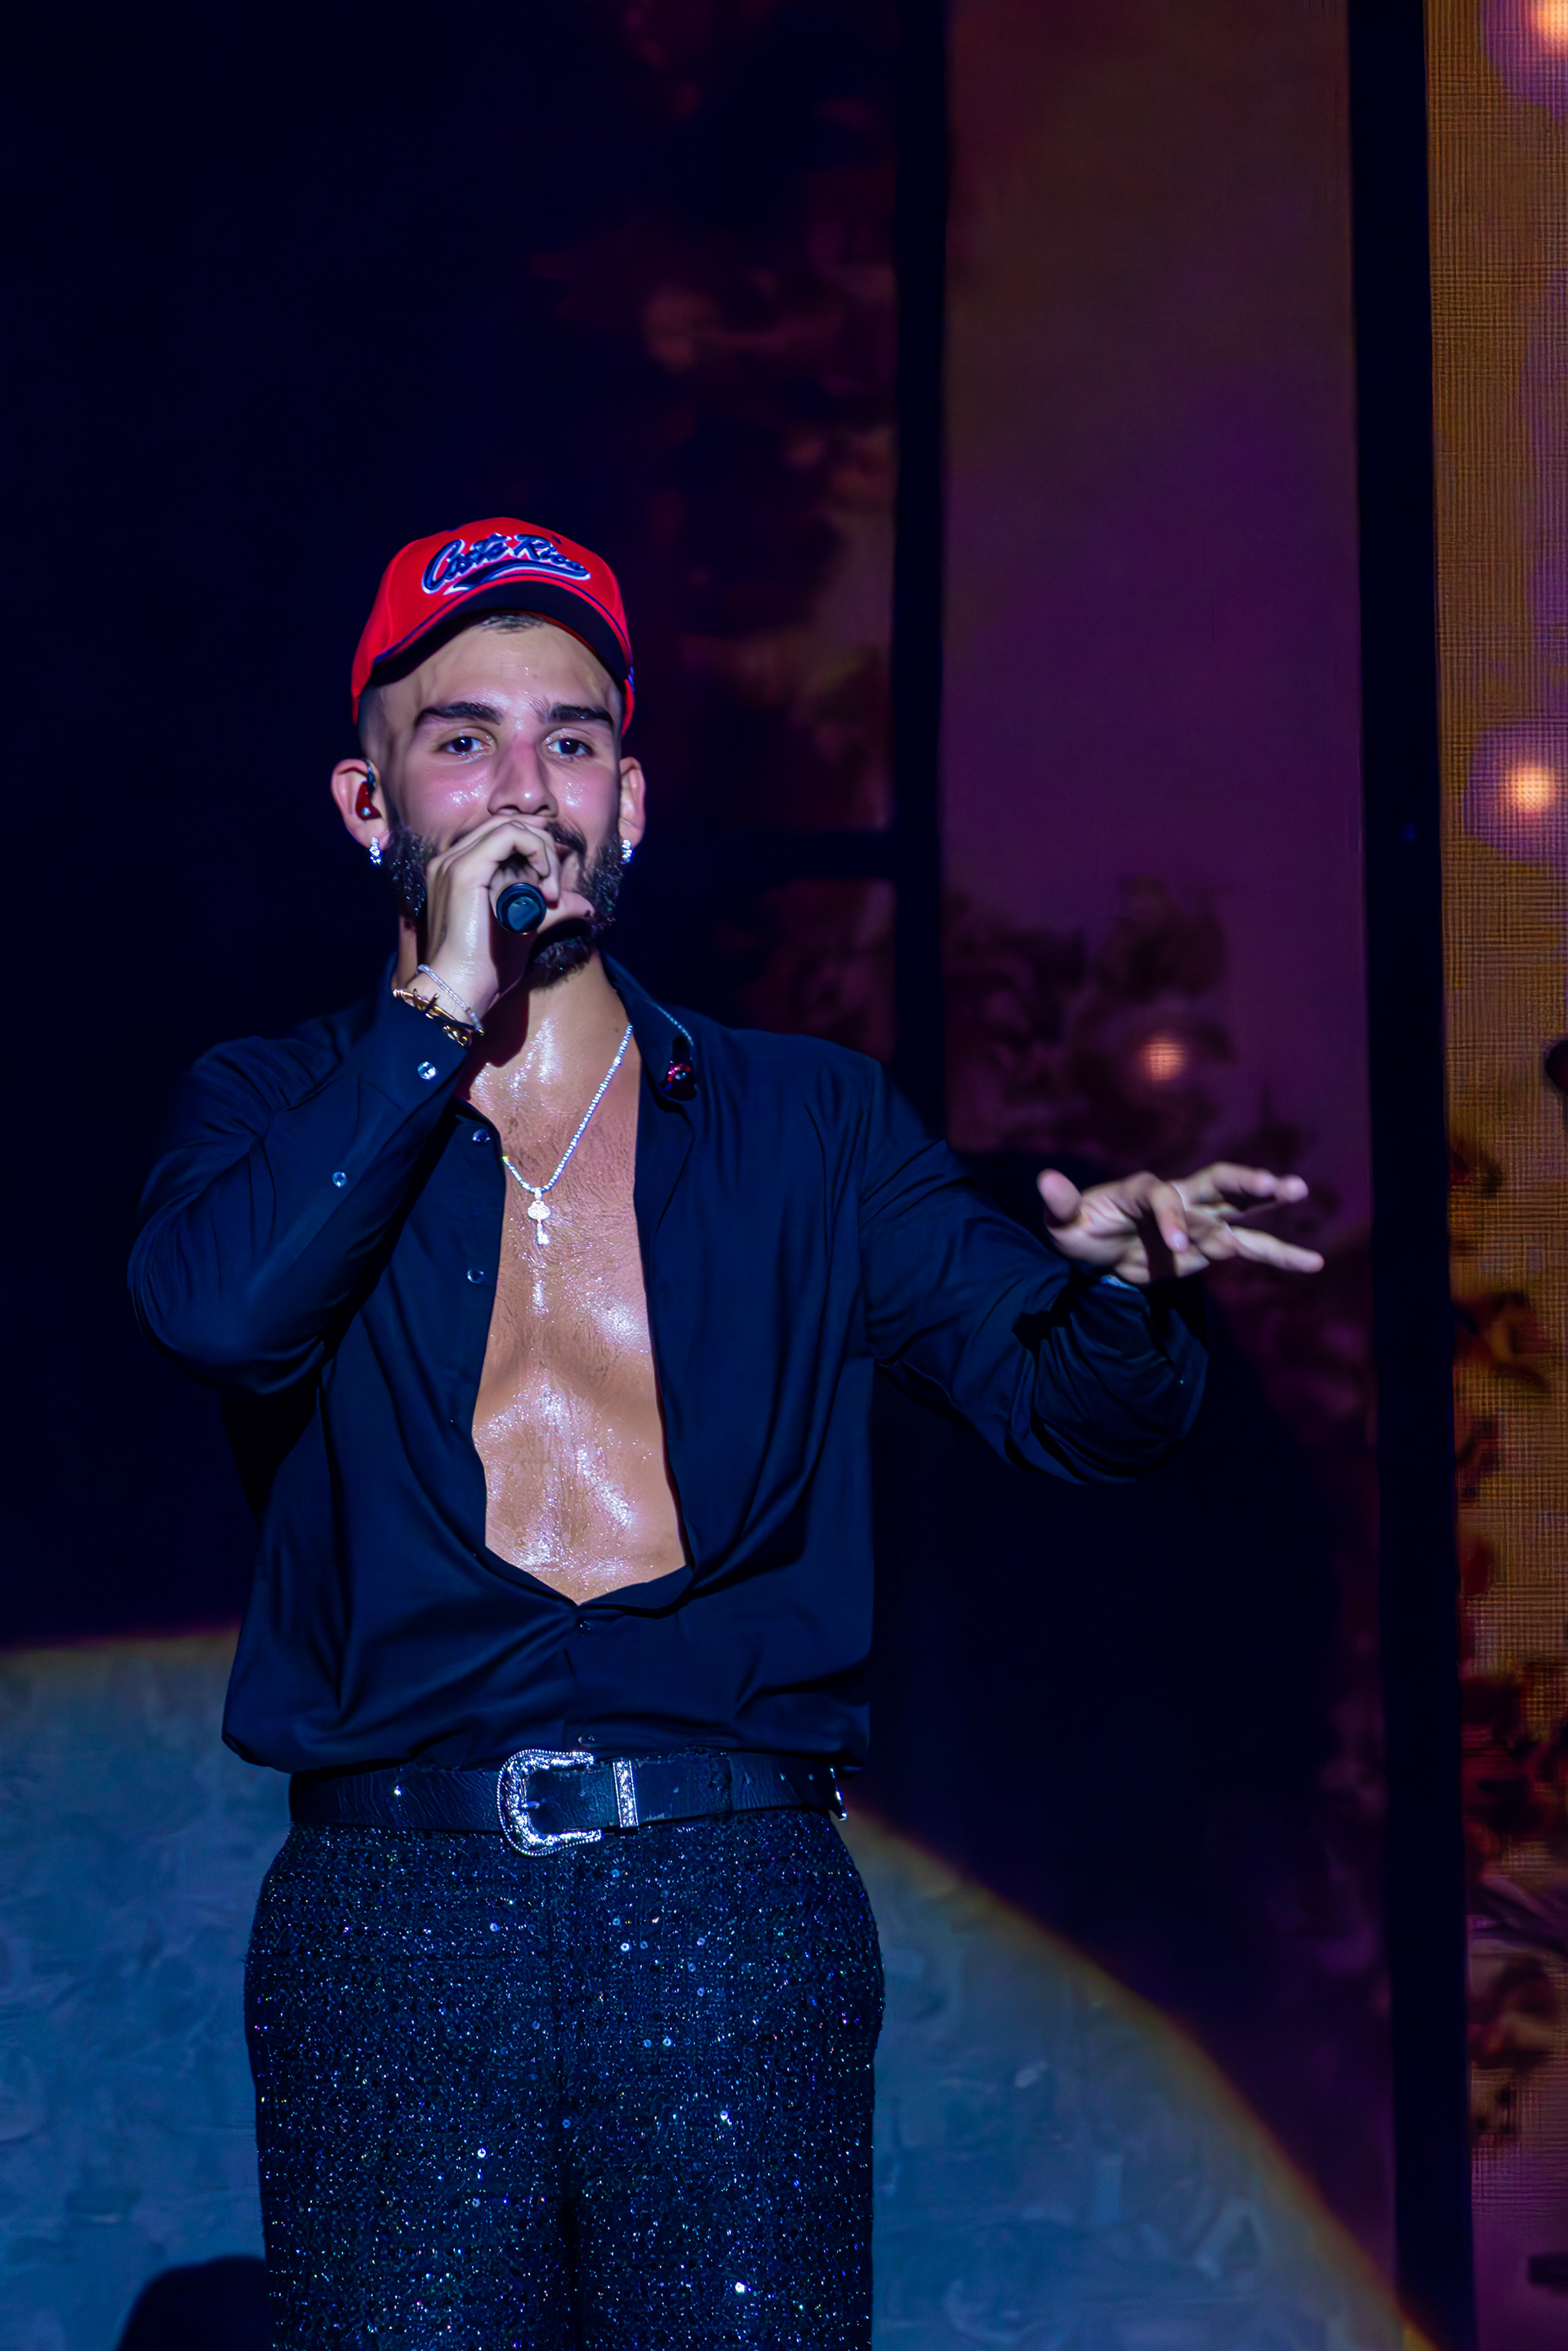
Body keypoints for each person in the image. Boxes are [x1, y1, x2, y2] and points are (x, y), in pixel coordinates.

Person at [130, 518, 1323, 2351]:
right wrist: (437, 1012)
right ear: (370, 807)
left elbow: (1073, 1410)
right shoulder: (270, 1107)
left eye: (572, 740)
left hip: (730, 1903)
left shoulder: (809, 1125)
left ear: (630, 800)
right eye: (464, 742)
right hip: (394, 1912)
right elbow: (220, 1315)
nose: (526, 790)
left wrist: (1126, 1295)